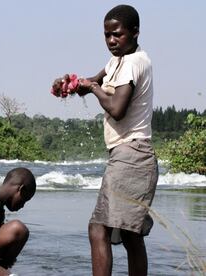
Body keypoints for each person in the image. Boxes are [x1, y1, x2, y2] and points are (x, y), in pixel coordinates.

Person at [67, 4, 158, 276]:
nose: (111, 41)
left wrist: (94, 88)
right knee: (130, 235)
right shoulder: (118, 60)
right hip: (131, 155)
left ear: (135, 32)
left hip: (132, 154)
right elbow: (91, 82)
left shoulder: (133, 62)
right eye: (106, 35)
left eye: (117, 34)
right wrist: (70, 85)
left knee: (98, 228)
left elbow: (117, 110)